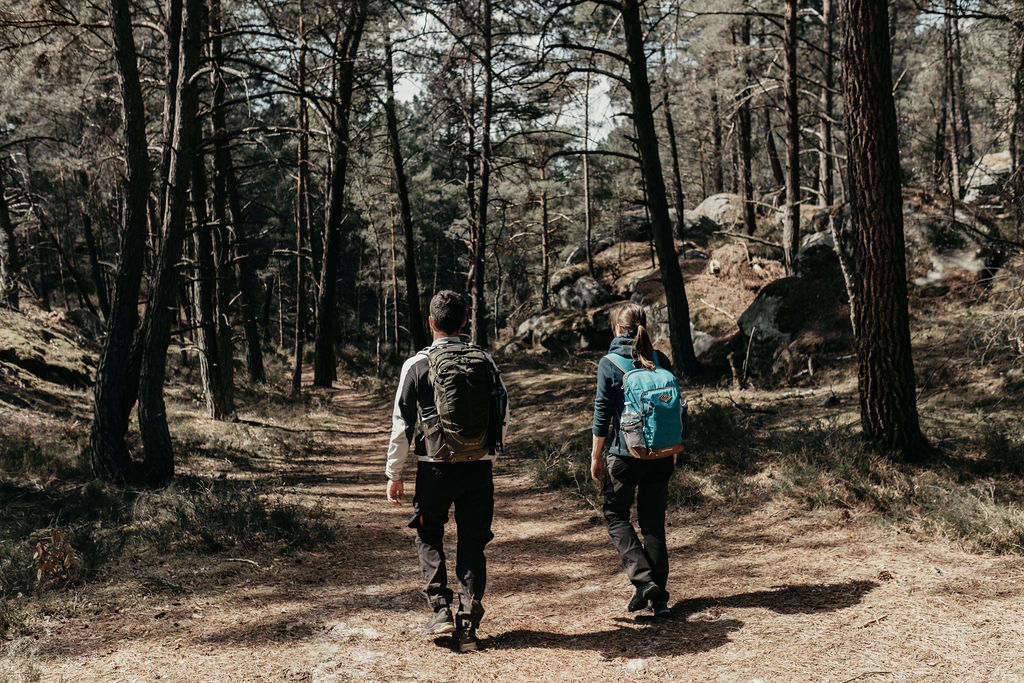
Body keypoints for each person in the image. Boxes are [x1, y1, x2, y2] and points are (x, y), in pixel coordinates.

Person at [385, 290, 508, 652]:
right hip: (478, 469)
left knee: (428, 534)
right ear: (464, 323)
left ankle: (440, 610)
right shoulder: (485, 360)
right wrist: (489, 456)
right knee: (473, 541)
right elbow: (502, 412)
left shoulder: (417, 364)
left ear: (431, 322)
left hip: (434, 468)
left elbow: (401, 423)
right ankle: (468, 619)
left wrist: (395, 472)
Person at [590, 302, 683, 618]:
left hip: (625, 454)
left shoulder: (610, 363)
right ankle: (659, 601)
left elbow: (602, 415)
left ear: (617, 329)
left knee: (615, 515)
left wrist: (595, 457)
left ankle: (643, 582)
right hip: (660, 454)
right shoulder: (660, 359)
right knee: (653, 523)